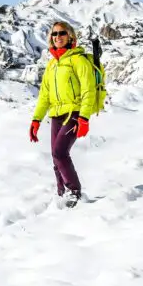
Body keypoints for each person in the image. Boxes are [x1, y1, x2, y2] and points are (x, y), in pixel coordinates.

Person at [28, 21, 99, 207]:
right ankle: (61, 193)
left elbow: (89, 90)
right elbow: (44, 95)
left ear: (70, 36)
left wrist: (84, 117)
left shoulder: (79, 60)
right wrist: (36, 120)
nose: (57, 37)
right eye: (54, 34)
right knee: (55, 155)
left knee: (60, 153)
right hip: (56, 114)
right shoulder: (52, 64)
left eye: (62, 33)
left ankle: (74, 191)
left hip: (74, 112)